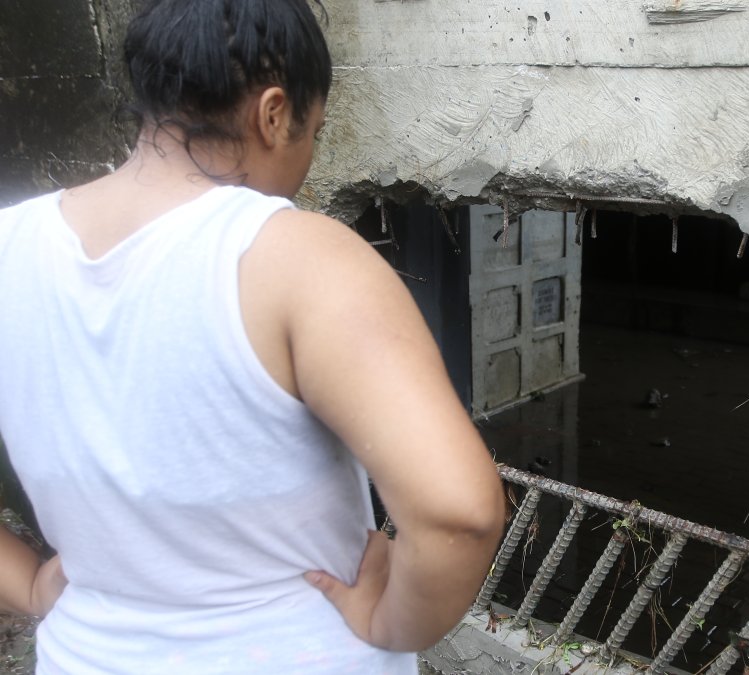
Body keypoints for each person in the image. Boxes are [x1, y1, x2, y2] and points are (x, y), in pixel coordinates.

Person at [0, 0, 505, 672]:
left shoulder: (11, 246)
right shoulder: (296, 255)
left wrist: (31, 585)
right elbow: (457, 512)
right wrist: (392, 622)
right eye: (313, 132)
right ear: (273, 114)